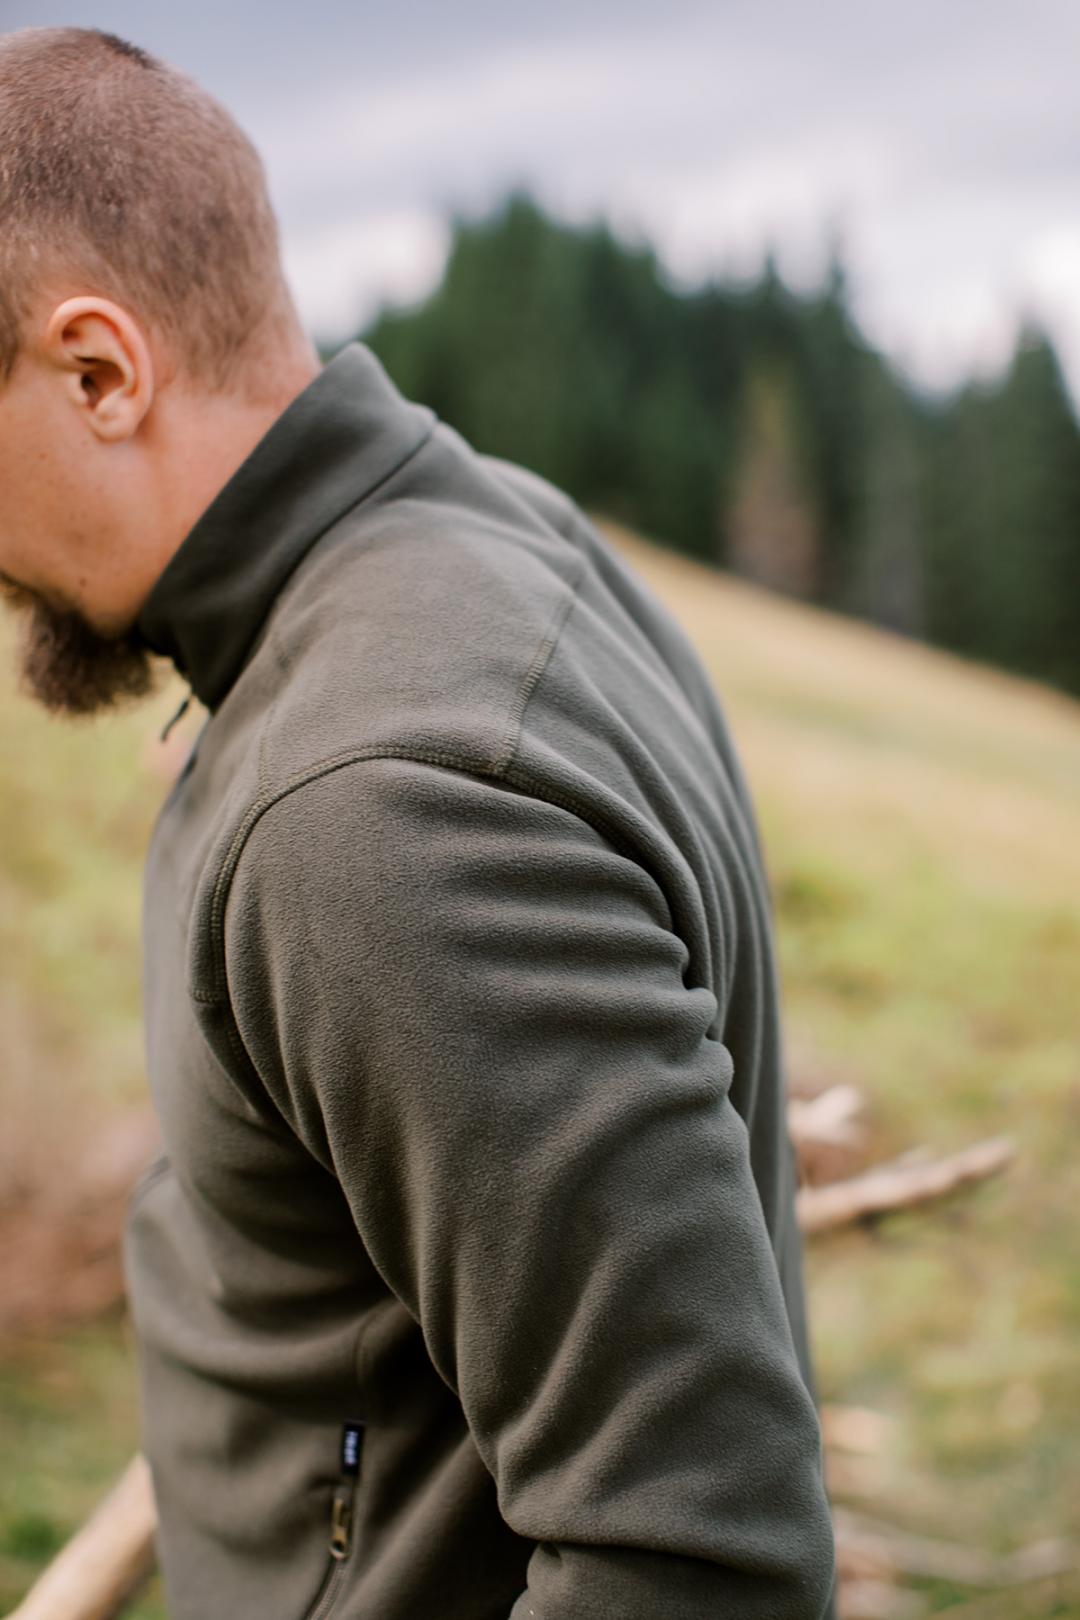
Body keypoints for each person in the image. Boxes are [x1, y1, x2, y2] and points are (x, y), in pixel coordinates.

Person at [0, 25, 839, 1620]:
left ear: (99, 371)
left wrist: (313, 802)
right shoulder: (476, 540)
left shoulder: (374, 808)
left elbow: (700, 1554)